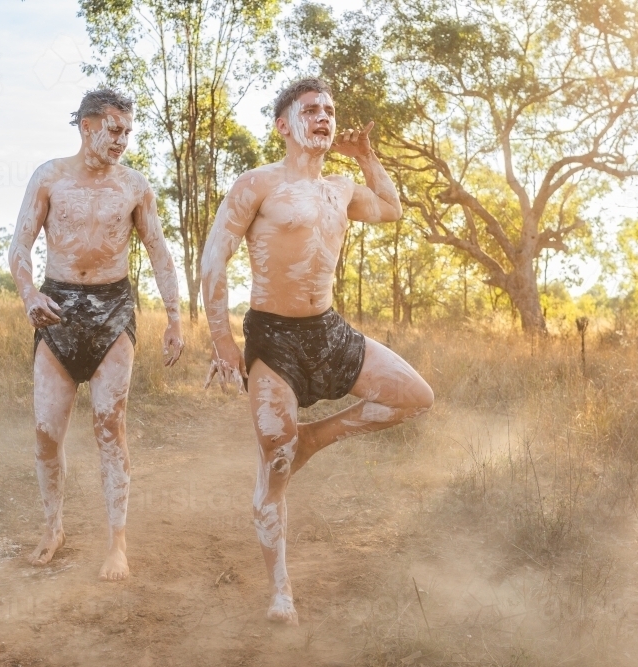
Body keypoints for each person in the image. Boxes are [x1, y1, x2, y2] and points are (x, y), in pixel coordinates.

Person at [201, 78, 434, 625]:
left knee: (414, 397)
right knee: (276, 461)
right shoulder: (258, 184)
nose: (324, 116)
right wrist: (223, 342)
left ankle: (313, 438)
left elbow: (392, 210)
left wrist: (367, 156)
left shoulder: (341, 188)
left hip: (328, 331)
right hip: (273, 337)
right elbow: (214, 259)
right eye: (311, 109)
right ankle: (280, 592)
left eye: (329, 109)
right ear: (284, 125)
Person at [8, 89, 184, 581]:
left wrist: (174, 318)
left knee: (110, 428)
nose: (122, 140)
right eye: (114, 129)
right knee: (47, 433)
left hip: (113, 311)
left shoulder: (134, 186)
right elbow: (19, 245)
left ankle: (117, 545)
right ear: (87, 127)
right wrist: (29, 296)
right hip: (57, 310)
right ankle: (53, 527)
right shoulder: (49, 177)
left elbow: (159, 252)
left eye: (128, 132)